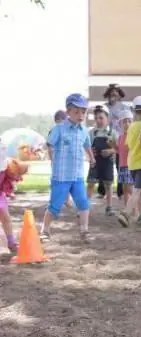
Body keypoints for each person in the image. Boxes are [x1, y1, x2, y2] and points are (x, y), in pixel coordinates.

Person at [40, 94, 95, 241]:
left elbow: (87, 145)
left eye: (83, 112)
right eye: (76, 112)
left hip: (77, 175)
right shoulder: (59, 129)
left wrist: (91, 157)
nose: (80, 115)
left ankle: (84, 230)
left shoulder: (84, 131)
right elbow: (50, 144)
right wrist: (52, 159)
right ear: (68, 112)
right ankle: (45, 230)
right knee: (55, 206)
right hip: (61, 176)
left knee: (83, 203)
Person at [118, 96, 141, 227]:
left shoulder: (131, 127)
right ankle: (126, 213)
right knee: (138, 190)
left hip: (132, 164)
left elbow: (129, 145)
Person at [98, 83, 127, 199]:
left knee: (120, 165)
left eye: (115, 94)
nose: (113, 96)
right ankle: (102, 190)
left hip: (120, 138)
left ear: (119, 95)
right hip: (105, 137)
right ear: (108, 95)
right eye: (111, 94)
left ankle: (121, 191)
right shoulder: (104, 107)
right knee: (103, 163)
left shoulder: (124, 107)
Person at [86, 105, 116, 216]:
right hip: (95, 161)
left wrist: (110, 151)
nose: (98, 120)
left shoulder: (112, 132)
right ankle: (86, 207)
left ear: (107, 118)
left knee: (108, 185)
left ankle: (109, 207)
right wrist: (90, 153)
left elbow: (117, 148)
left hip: (107, 163)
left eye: (101, 118)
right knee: (90, 183)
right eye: (96, 118)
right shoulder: (92, 133)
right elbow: (86, 146)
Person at [116, 109, 135, 212]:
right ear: (120, 124)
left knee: (130, 189)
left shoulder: (133, 136)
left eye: (129, 121)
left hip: (130, 166)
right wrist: (113, 147)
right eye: (124, 121)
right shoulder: (120, 137)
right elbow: (119, 151)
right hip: (122, 166)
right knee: (125, 190)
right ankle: (127, 208)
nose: (127, 124)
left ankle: (134, 210)